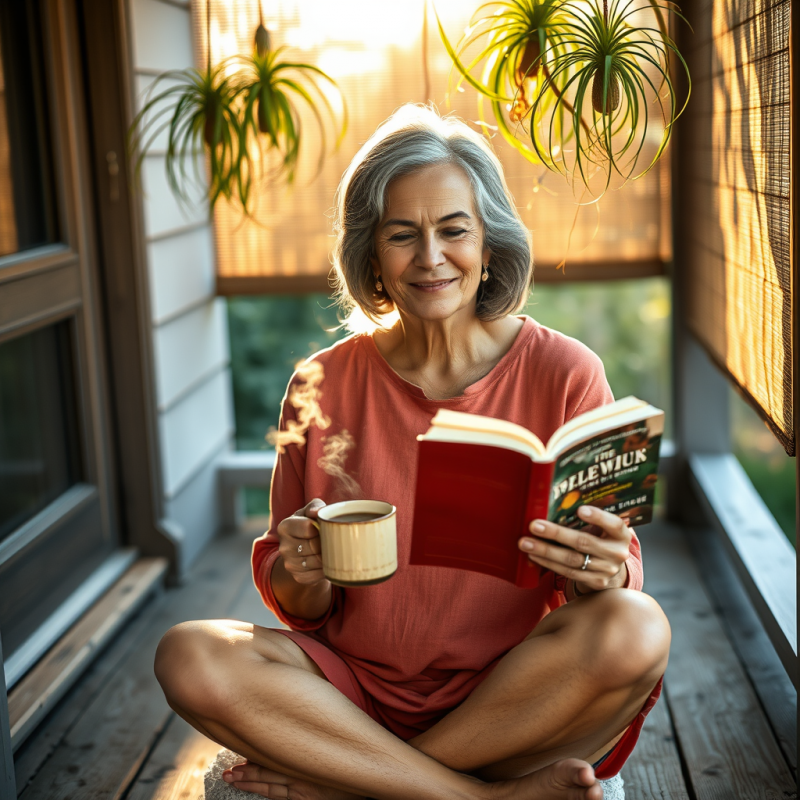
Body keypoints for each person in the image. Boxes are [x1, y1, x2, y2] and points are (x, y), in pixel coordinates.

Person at [154, 104, 670, 800]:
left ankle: (357, 784)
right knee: (188, 655)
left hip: (509, 694)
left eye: (453, 230)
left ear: (489, 245)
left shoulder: (567, 372)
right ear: (371, 255)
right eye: (403, 235)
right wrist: (302, 568)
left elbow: (601, 586)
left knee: (637, 627)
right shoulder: (322, 380)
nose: (431, 258)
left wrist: (603, 569)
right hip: (348, 694)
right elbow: (294, 598)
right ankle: (470, 795)